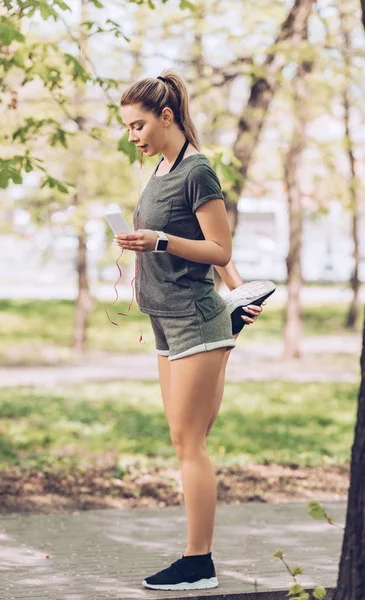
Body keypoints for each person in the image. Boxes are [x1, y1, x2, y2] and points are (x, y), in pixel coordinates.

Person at [117, 70, 265, 591]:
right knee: (185, 439)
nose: (133, 136)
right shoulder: (159, 171)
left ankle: (198, 563)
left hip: (197, 320)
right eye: (127, 128)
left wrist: (159, 242)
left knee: (189, 443)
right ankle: (194, 558)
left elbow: (218, 249)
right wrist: (243, 293)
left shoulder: (197, 169)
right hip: (167, 323)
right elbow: (196, 243)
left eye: (138, 126)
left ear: (166, 115)